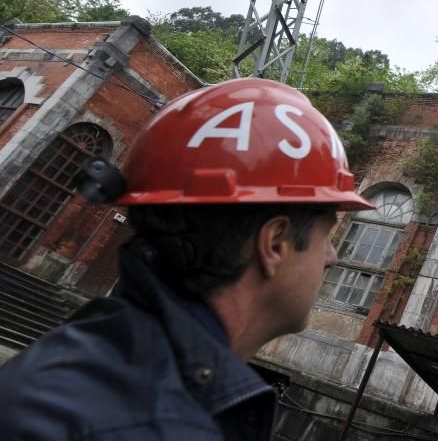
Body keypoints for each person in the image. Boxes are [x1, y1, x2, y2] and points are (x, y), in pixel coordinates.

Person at [0, 78, 375, 439]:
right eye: (327, 234)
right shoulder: (154, 424)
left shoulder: (93, 367)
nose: (332, 257)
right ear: (275, 243)